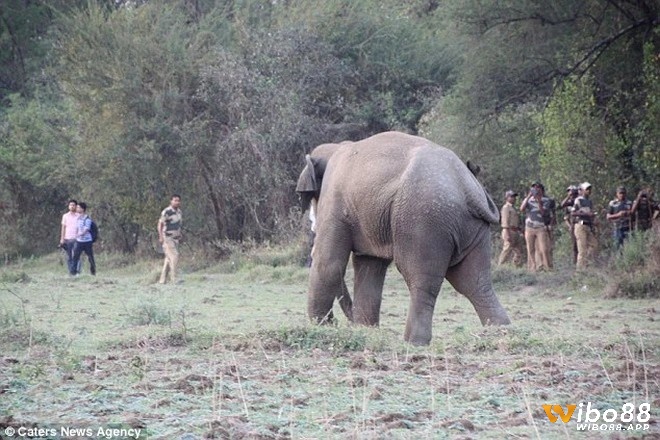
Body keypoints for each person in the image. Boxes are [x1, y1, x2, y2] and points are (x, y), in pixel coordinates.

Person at [520, 182, 552, 271]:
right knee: (530, 249)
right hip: (529, 227)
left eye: (537, 188)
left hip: (540, 227)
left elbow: (543, 212)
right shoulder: (529, 200)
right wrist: (528, 196)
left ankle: (547, 267)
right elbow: (521, 209)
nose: (536, 190)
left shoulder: (546, 200)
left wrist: (539, 201)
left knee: (544, 248)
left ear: (541, 190)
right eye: (534, 188)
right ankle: (532, 268)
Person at [571, 182, 598, 270]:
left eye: (589, 189)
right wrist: (585, 214)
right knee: (582, 249)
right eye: (587, 189)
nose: (589, 191)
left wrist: (593, 220)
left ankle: (587, 264)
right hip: (580, 225)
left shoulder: (589, 202)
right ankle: (580, 271)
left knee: (594, 245)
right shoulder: (578, 200)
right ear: (582, 190)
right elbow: (573, 212)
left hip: (588, 225)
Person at [158, 194, 182, 284]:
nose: (177, 202)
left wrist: (180, 234)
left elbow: (178, 224)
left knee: (168, 259)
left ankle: (162, 280)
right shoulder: (167, 212)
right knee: (175, 256)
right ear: (171, 201)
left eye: (178, 200)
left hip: (175, 238)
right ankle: (174, 278)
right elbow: (160, 224)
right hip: (167, 238)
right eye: (175, 200)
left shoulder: (179, 212)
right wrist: (160, 236)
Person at [498, 190, 522, 266]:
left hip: (515, 231)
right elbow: (505, 221)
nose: (514, 198)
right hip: (508, 230)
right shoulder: (506, 208)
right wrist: (507, 233)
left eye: (514, 196)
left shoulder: (513, 208)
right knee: (507, 249)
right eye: (511, 196)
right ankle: (500, 266)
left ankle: (516, 266)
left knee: (518, 251)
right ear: (507, 197)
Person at [71, 202, 96, 276]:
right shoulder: (78, 219)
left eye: (78, 207)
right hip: (79, 241)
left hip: (87, 241)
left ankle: (93, 272)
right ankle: (73, 273)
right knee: (75, 257)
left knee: (90, 257)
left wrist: (78, 234)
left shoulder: (87, 219)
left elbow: (86, 230)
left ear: (83, 209)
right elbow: (77, 228)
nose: (77, 208)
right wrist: (75, 235)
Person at [60, 199, 80, 275]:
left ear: (76, 206)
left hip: (77, 238)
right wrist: (62, 238)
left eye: (73, 205)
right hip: (67, 238)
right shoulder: (65, 216)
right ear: (68, 206)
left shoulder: (79, 216)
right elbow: (63, 228)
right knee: (69, 256)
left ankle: (77, 271)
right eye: (70, 205)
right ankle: (71, 272)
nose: (72, 206)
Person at [560, 186, 579, 264]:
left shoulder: (578, 201)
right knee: (574, 245)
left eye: (572, 192)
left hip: (579, 223)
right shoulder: (568, 204)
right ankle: (575, 262)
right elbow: (562, 205)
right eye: (569, 191)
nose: (571, 193)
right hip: (572, 225)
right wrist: (569, 226)